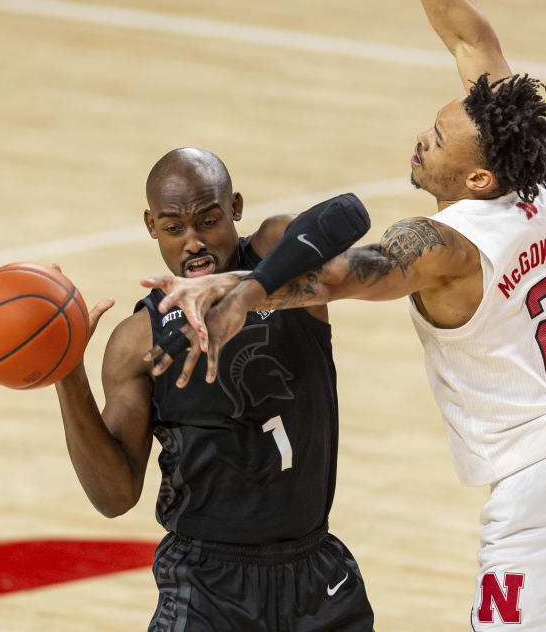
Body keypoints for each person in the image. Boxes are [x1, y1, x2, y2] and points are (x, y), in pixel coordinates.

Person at [141, 0, 546, 631]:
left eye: (440, 138)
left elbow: (337, 275)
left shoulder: (448, 247)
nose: (424, 137)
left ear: (476, 179)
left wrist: (237, 286)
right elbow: (470, 38)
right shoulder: (539, 178)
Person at [55, 147, 375, 631]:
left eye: (208, 221)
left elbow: (348, 215)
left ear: (236, 208)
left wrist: (242, 291)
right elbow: (114, 497)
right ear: (150, 225)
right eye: (173, 227)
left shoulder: (275, 255)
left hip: (315, 575)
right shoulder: (137, 339)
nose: (193, 242)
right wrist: (67, 372)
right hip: (208, 585)